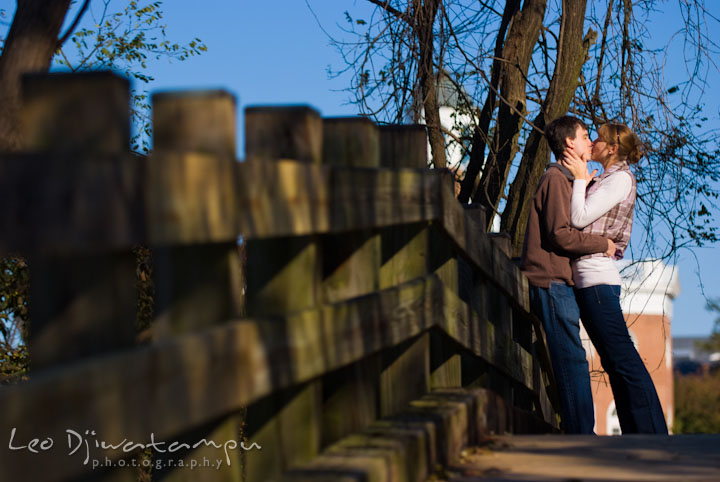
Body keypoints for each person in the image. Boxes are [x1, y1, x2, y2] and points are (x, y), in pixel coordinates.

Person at [561, 123, 668, 434]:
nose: (593, 142)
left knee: (623, 360)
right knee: (614, 361)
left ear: (612, 148)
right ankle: (639, 432)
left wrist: (581, 180)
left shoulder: (620, 178)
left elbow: (578, 218)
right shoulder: (607, 178)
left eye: (599, 139)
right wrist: (584, 181)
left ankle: (651, 433)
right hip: (590, 280)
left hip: (597, 280)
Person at [521, 115, 616, 434]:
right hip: (550, 282)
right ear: (569, 143)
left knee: (570, 357)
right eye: (586, 135)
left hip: (559, 283)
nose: (591, 141)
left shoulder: (565, 180)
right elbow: (560, 234)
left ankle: (579, 431)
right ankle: (580, 435)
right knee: (571, 359)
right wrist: (602, 243)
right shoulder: (556, 179)